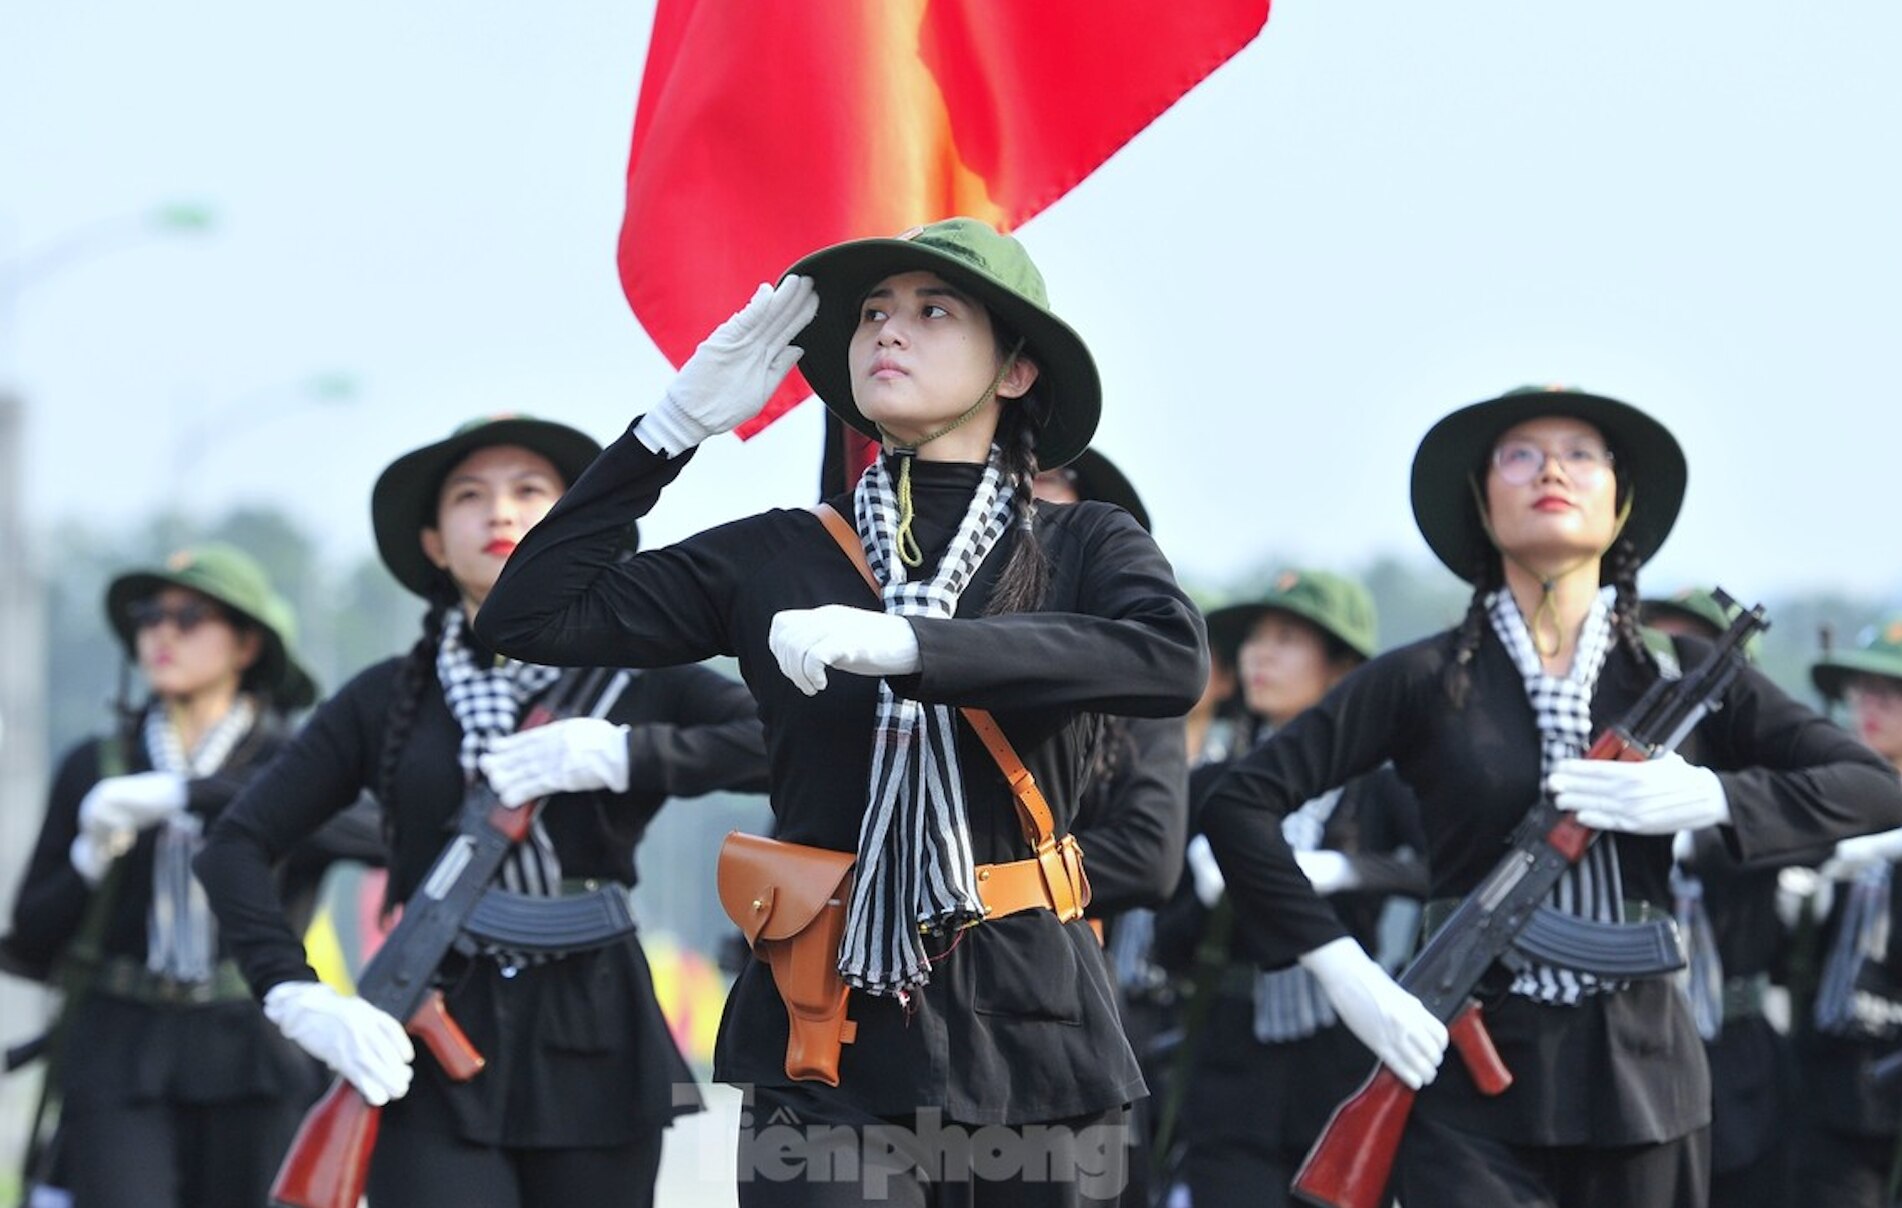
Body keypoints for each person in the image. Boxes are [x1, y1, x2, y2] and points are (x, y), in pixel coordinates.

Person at [473, 216, 1208, 1205]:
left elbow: (1169, 657)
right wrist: (671, 427)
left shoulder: (1082, 543)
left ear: (1018, 371)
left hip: (1035, 1033)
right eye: (870, 314)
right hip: (826, 1034)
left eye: (932, 310)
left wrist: (919, 647)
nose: (887, 332)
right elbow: (532, 612)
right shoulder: (780, 555)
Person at [1198, 385, 1902, 1208]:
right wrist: (1349, 977)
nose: (1551, 472)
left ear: (1619, 502)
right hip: (1465, 1081)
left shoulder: (1675, 675)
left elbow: (1872, 786)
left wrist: (1711, 796)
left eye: (1581, 454)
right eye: (1521, 455)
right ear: (1482, 501)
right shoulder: (1427, 677)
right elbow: (1237, 804)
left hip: (1643, 1082)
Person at [193, 415, 770, 1208]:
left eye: (530, 491)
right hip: (428, 1030)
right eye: (470, 496)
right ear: (434, 542)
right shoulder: (384, 699)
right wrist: (294, 993)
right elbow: (234, 845)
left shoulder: (637, 683)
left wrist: (624, 752)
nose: (500, 512)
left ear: (576, 522)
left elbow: (781, 740)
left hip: (596, 1036)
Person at [5, 543, 327, 1208]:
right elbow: (32, 940)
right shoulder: (97, 765)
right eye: (150, 616)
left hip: (253, 1047)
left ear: (245, 645)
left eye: (189, 617)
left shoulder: (292, 757)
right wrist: (87, 859)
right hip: (123, 1046)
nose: (161, 632)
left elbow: (375, 833)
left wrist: (191, 794)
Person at [1168, 571, 1427, 1208]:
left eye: (1286, 639)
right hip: (1230, 1051)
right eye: (1254, 639)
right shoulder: (1211, 787)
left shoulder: (1378, 787)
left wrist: (1347, 870)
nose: (1260, 655)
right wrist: (1203, 892)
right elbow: (1163, 944)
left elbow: (1438, 872)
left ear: (1341, 668)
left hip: (1340, 1052)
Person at [1032, 447, 1188, 1208]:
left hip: (1061, 992)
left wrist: (981, 878)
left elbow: (1148, 855)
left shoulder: (1133, 698)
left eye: (1048, 491)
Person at [1642, 588, 1798, 1208]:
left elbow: (1819, 825)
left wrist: (1709, 820)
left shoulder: (1763, 781)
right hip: (1631, 1049)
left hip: (1735, 1054)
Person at [1793, 616, 1902, 1207]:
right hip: (1829, 1083)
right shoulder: (1831, 801)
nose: (1870, 705)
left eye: (1892, 692)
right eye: (1863, 689)